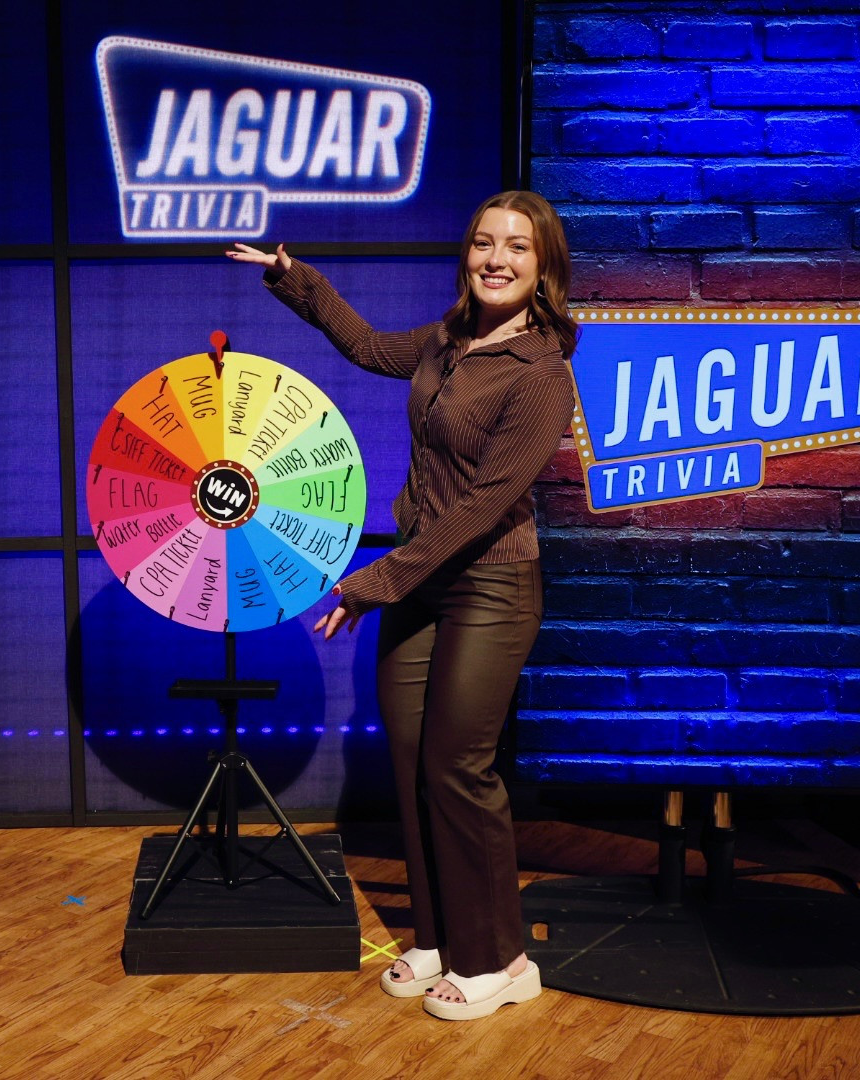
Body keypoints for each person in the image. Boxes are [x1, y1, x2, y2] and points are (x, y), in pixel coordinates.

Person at [227, 191, 579, 1021]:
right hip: (423, 576)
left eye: (517, 248)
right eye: (483, 241)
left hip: (491, 582)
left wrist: (374, 581)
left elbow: (475, 511)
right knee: (415, 761)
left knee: (460, 766)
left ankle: (501, 958)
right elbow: (368, 345)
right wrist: (296, 279)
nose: (496, 258)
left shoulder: (541, 375)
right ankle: (437, 938)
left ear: (543, 268)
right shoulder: (449, 341)